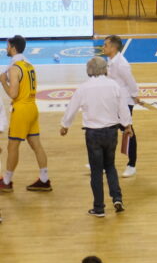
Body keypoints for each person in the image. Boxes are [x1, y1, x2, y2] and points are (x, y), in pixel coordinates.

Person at [59, 57, 133, 216]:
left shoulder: (84, 88)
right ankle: (117, 198)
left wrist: (65, 125)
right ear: (105, 69)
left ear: (89, 71)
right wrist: (127, 125)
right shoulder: (114, 85)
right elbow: (123, 107)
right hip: (111, 131)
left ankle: (99, 207)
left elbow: (72, 108)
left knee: (96, 171)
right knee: (111, 166)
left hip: (93, 134)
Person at [0, 35, 51, 194]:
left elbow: (14, 94)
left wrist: (3, 81)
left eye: (7, 46)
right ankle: (44, 179)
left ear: (13, 47)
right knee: (37, 145)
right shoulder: (29, 65)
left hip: (21, 109)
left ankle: (6, 181)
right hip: (32, 108)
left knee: (12, 146)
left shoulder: (14, 68)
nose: (6, 48)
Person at [102, 36, 141, 179]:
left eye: (105, 45)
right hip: (113, 100)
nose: (103, 47)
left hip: (124, 102)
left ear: (113, 48)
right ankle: (105, 163)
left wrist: (135, 95)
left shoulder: (121, 64)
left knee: (127, 130)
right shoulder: (110, 61)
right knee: (107, 129)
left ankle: (132, 165)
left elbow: (130, 81)